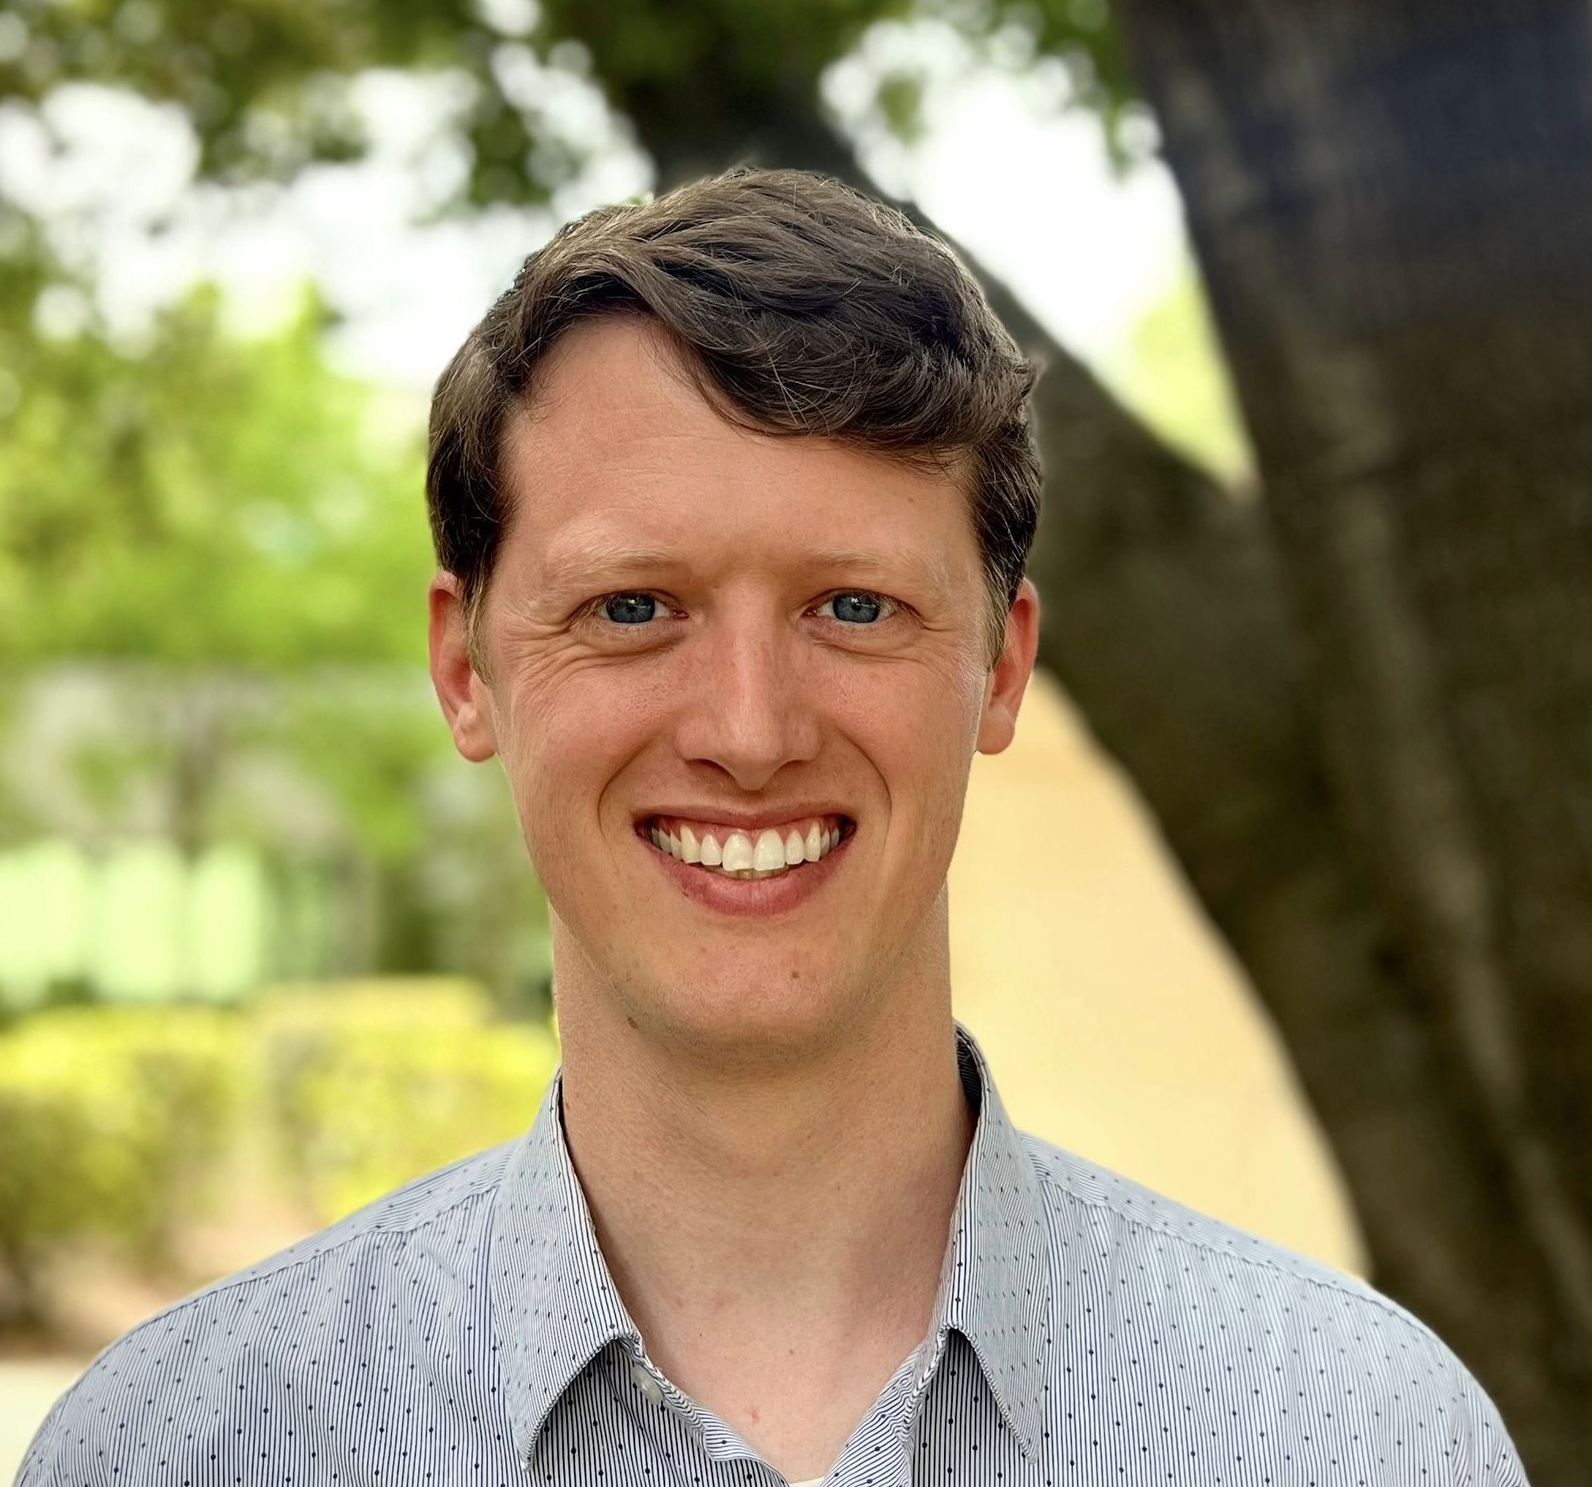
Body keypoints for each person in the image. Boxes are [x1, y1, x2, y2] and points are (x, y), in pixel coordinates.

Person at [17, 165, 1527, 1487]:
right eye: (634, 609)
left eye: (853, 607)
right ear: (464, 669)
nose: (749, 732)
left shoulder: (1354, 1441)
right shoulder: (186, 1451)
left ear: (1000, 668)